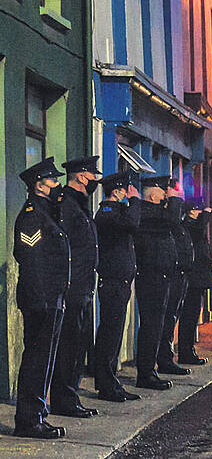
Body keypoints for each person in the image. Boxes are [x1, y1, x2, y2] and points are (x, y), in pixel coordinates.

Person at [12, 158, 70, 439]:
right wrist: (43, 301)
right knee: (36, 359)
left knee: (44, 359)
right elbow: (31, 260)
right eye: (53, 181)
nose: (58, 185)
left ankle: (37, 414)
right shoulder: (33, 215)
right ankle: (28, 420)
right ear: (39, 185)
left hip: (51, 298)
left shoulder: (48, 212)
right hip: (41, 301)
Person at [50, 157, 101, 419]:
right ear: (81, 177)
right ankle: (64, 399)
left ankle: (70, 395)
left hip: (82, 287)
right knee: (69, 346)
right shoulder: (67, 206)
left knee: (77, 344)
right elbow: (63, 250)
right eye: (92, 175)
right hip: (72, 289)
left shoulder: (78, 205)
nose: (95, 180)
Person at [93, 172, 143, 402]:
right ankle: (105, 384)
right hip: (112, 281)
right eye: (125, 190)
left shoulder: (117, 212)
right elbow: (132, 224)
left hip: (121, 281)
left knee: (114, 333)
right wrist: (135, 201)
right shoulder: (107, 213)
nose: (128, 193)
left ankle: (110, 381)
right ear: (117, 191)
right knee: (109, 334)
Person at [133, 175, 176, 390]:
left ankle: (151, 370)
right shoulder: (146, 212)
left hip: (161, 275)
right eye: (164, 191)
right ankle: (146, 374)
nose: (167, 194)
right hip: (150, 276)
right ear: (152, 194)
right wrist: (174, 200)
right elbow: (171, 220)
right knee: (150, 326)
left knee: (157, 325)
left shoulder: (156, 213)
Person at [156, 180, 193, 376]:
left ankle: (166, 357)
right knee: (164, 320)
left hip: (179, 274)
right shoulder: (165, 217)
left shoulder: (177, 221)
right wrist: (173, 200)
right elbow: (170, 221)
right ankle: (163, 359)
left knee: (171, 319)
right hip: (168, 275)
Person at [177, 197, 212, 365]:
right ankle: (186, 352)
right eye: (199, 210)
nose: (201, 213)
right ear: (191, 211)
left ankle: (189, 350)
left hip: (198, 278)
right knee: (189, 316)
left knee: (192, 316)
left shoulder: (193, 226)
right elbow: (198, 232)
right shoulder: (189, 226)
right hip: (192, 279)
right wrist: (205, 216)